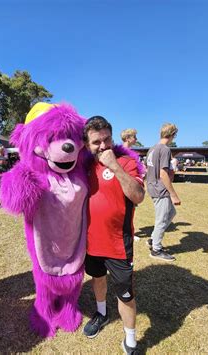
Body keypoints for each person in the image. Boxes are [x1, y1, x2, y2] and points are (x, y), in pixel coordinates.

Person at [82, 116, 145, 354]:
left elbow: (138, 196)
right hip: (91, 243)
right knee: (97, 280)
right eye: (96, 142)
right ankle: (101, 314)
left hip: (118, 244)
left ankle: (130, 340)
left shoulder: (126, 162)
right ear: (87, 145)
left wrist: (114, 167)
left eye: (106, 139)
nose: (103, 146)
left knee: (125, 293)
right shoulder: (84, 168)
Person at [145, 123, 181, 262]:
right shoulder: (165, 149)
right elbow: (163, 174)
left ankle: (153, 239)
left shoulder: (152, 148)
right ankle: (156, 249)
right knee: (161, 219)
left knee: (171, 213)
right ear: (172, 135)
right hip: (160, 188)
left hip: (153, 186)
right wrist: (173, 194)